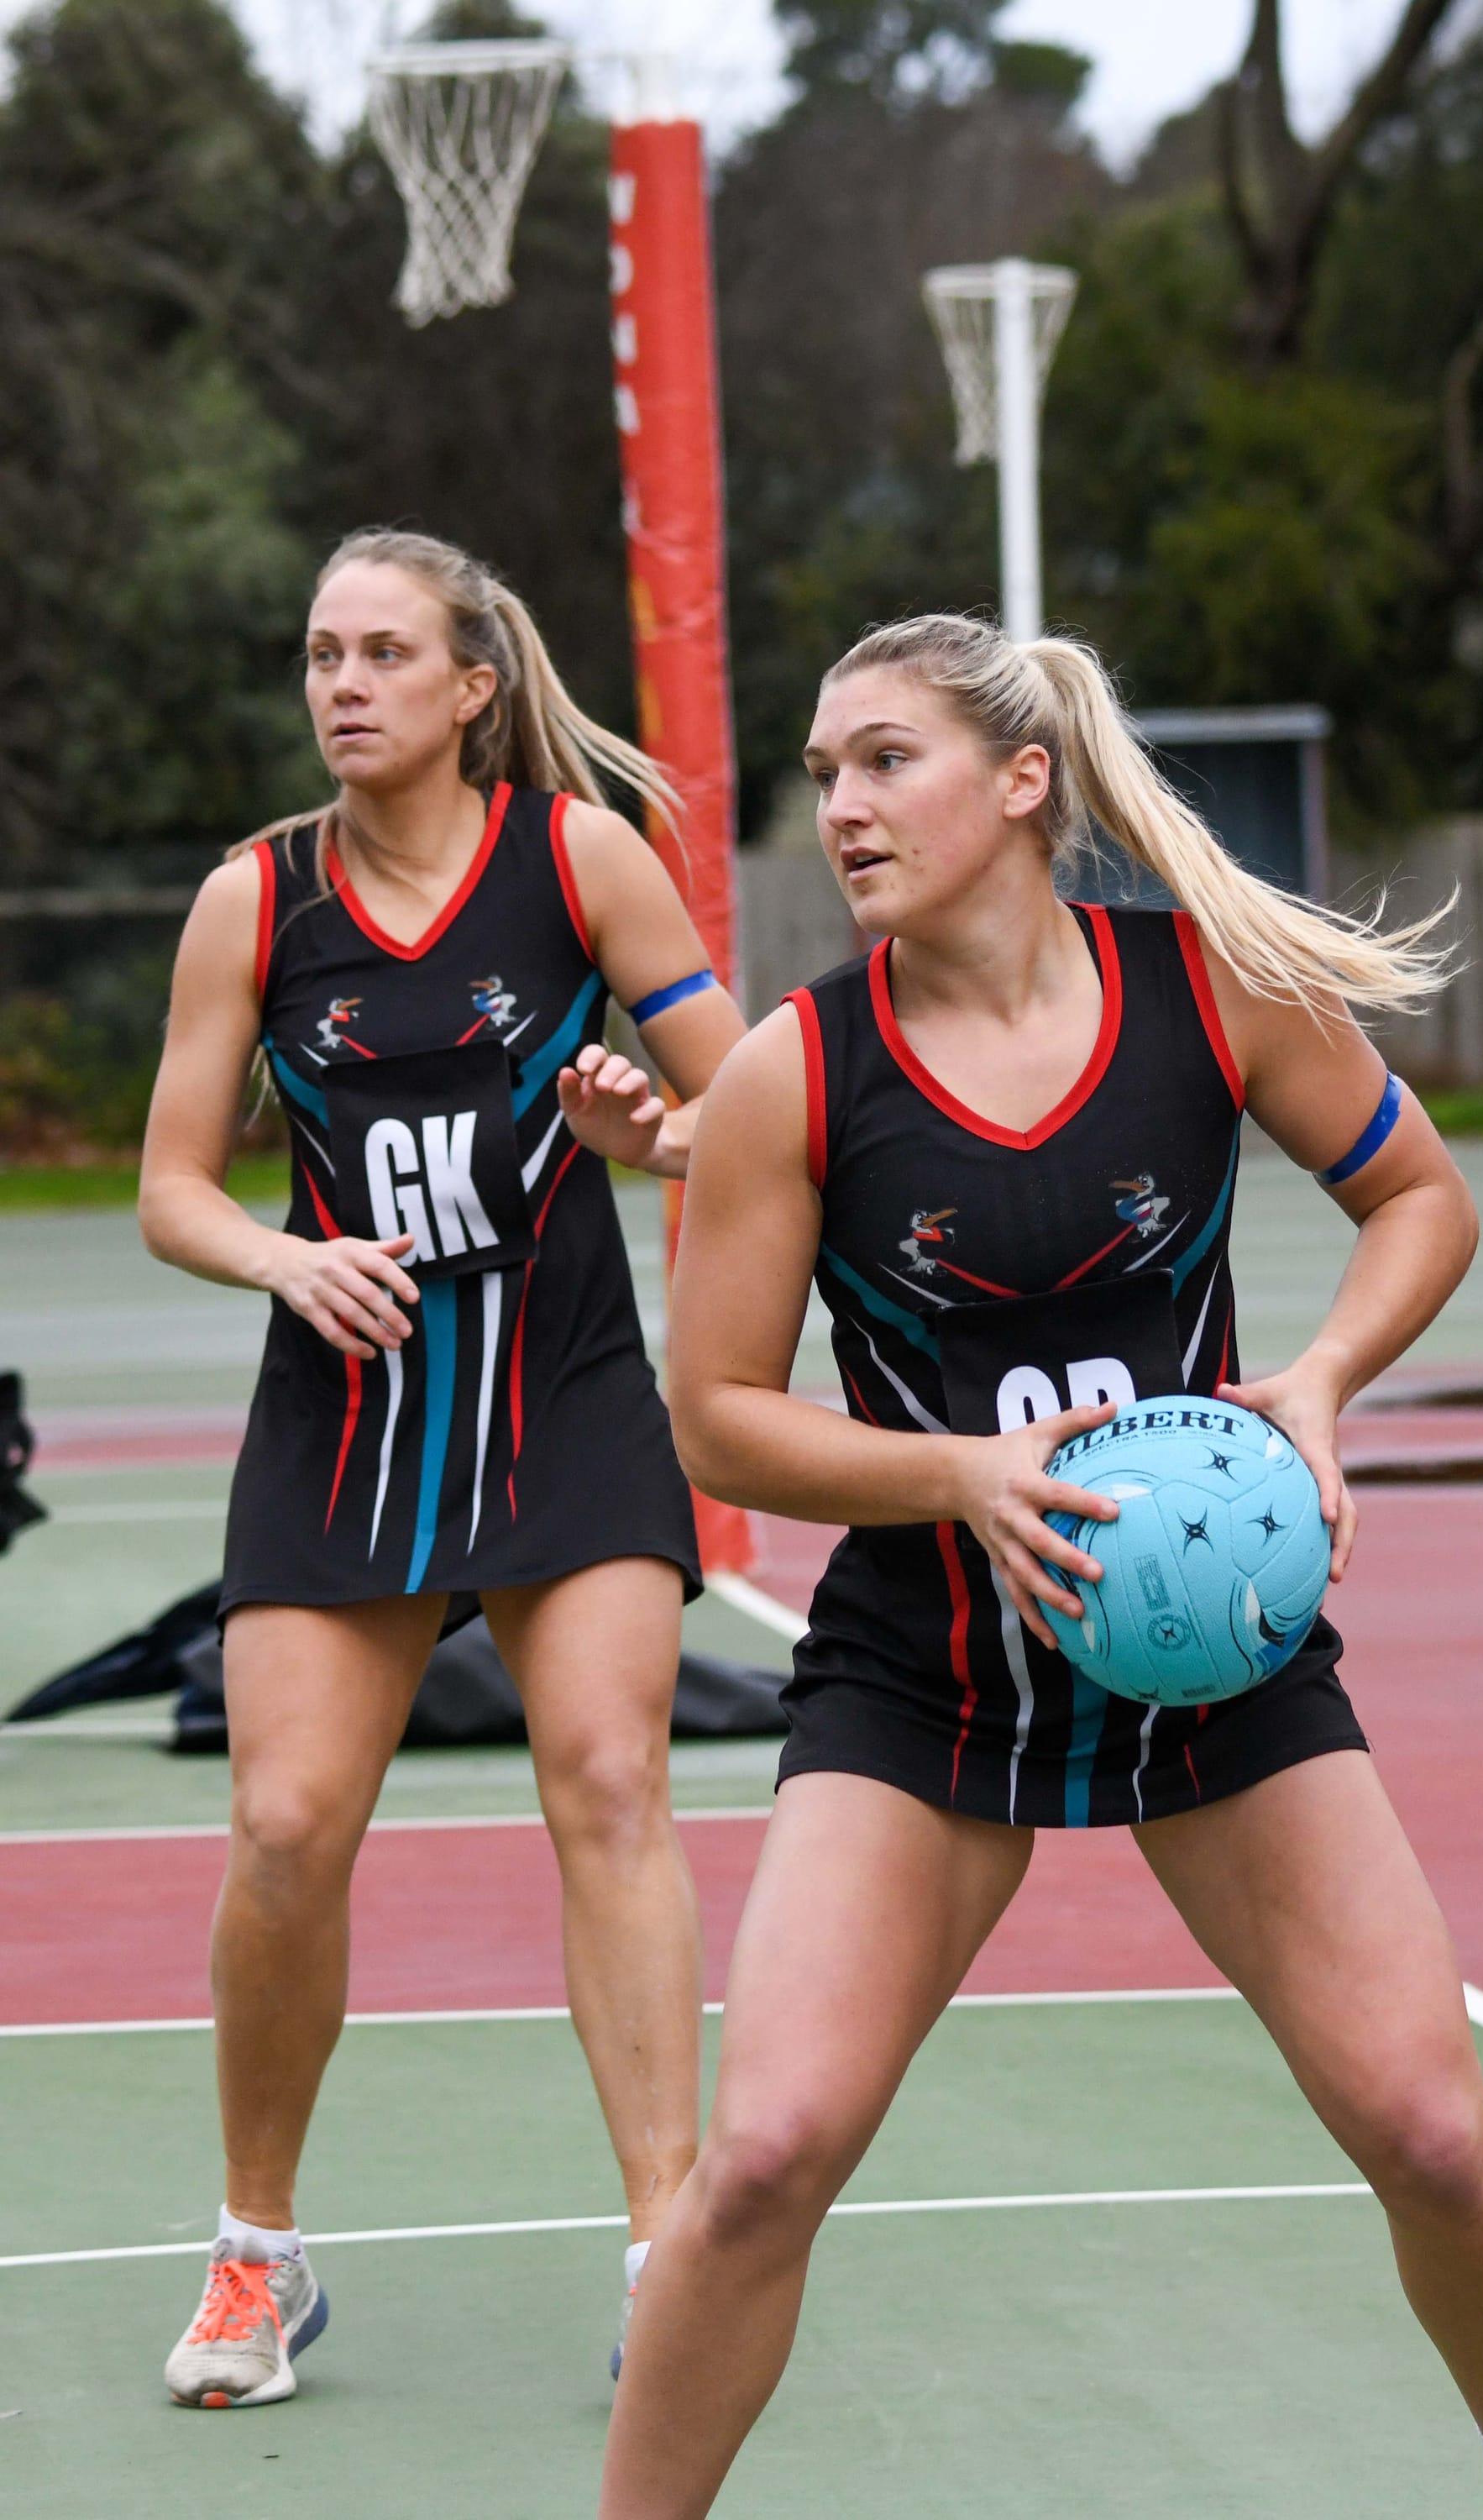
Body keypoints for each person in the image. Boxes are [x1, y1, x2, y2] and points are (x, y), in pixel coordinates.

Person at [597, 614, 1483, 2520]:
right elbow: (716, 1416)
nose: (842, 807)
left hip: (1214, 1643)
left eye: (885, 760)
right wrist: (958, 1473)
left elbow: (1420, 1198)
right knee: (770, 2156)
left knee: (1427, 2126)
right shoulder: (795, 1075)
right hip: (924, 1670)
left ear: (1023, 779)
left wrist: (1310, 1379)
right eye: (822, 774)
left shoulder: (1206, 993)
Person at [139, 527, 744, 2409]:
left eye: (384, 651)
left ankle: (669, 2257)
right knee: (286, 1828)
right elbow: (169, 1185)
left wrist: (648, 1129)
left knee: (608, 1778)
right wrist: (278, 1252)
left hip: (560, 1399)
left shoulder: (579, 862)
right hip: (347, 1416)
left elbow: (753, 1114)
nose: (341, 683)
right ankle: (258, 2257)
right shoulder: (257, 902)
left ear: (471, 686)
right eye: (322, 650)